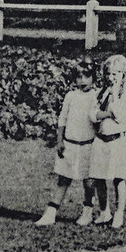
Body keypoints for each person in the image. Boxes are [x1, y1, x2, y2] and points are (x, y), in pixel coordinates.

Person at [34, 55, 101, 227]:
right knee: (63, 179)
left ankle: (87, 212)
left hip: (88, 145)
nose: (82, 80)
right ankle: (51, 213)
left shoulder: (96, 96)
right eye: (79, 77)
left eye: (87, 76)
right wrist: (60, 141)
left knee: (89, 182)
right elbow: (62, 120)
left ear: (93, 77)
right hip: (70, 144)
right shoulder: (71, 96)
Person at [89, 53, 126, 230]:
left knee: (119, 179)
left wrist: (114, 97)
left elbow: (121, 117)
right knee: (99, 177)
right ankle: (105, 211)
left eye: (115, 74)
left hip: (118, 141)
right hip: (101, 139)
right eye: (108, 74)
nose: (111, 78)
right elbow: (93, 114)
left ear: (124, 74)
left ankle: (119, 213)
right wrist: (106, 113)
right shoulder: (101, 92)